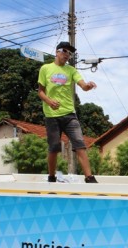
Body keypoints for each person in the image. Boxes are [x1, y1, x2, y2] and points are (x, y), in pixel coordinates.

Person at [38, 41, 98, 183]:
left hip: (70, 114)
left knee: (80, 144)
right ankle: (51, 177)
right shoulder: (45, 68)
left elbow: (82, 85)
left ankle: (89, 178)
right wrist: (49, 101)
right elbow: (40, 92)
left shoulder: (71, 70)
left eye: (70, 53)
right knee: (54, 148)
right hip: (52, 115)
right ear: (57, 52)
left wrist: (88, 86)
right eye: (64, 51)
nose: (67, 55)